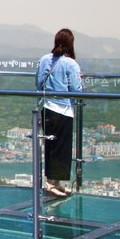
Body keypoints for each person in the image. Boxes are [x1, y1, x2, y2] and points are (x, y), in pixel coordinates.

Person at [36, 28, 83, 197]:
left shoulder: (44, 60)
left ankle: (55, 183)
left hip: (46, 107)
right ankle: (51, 184)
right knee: (61, 148)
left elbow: (38, 83)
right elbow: (76, 89)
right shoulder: (70, 63)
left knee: (51, 146)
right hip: (63, 109)